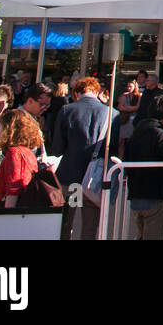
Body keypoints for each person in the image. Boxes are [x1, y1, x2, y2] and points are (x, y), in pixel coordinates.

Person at [52, 77, 113, 240]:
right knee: (89, 225)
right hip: (95, 180)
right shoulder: (110, 113)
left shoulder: (67, 110)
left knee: (67, 222)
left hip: (72, 177)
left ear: (77, 93)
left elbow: (57, 148)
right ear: (97, 91)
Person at [123, 93, 163, 239]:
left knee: (140, 234)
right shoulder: (159, 133)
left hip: (135, 194)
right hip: (155, 194)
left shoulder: (136, 132)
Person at [0, 109, 44, 208]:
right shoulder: (28, 153)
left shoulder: (15, 153)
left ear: (9, 130)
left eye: (0, 128)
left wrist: (7, 218)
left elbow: (14, 190)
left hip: (12, 213)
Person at [117, 80, 141, 157]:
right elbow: (120, 107)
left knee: (132, 140)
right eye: (128, 86)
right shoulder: (124, 96)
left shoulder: (138, 96)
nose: (129, 88)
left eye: (131, 86)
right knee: (121, 140)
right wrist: (129, 109)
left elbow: (137, 107)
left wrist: (127, 107)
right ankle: (120, 158)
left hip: (134, 120)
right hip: (125, 120)